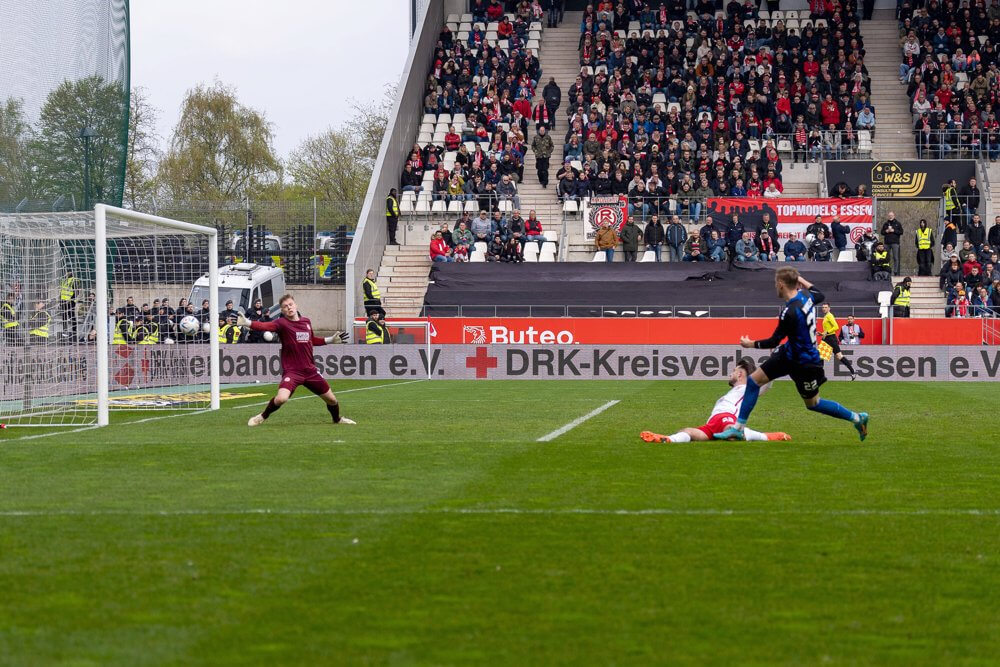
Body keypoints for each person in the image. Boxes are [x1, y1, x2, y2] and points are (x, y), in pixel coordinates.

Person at [715, 269, 869, 442]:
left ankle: (857, 418)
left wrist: (749, 344)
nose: (775, 287)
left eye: (776, 283)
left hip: (806, 363)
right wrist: (799, 279)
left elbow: (773, 341)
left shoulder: (789, 312)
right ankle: (737, 428)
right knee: (752, 382)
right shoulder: (806, 297)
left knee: (813, 404)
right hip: (789, 355)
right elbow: (819, 293)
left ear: (781, 284)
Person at [240, 294, 353, 427]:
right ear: (282, 311)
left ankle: (337, 419)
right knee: (281, 398)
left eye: (290, 304)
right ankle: (262, 417)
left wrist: (329, 340)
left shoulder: (306, 322)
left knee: (332, 400)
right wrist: (247, 323)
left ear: (295, 305)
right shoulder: (281, 323)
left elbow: (311, 340)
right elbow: (265, 326)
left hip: (310, 371)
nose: (289, 308)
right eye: (285, 307)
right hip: (293, 372)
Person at [640, 359, 791, 443]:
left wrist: (774, 363)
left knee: (731, 433)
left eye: (733, 371)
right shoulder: (733, 391)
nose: (730, 373)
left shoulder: (748, 389)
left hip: (727, 418)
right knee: (688, 432)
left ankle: (769, 436)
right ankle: (668, 439)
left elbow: (766, 384)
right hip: (712, 424)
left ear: (739, 374)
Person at [820, 303, 858, 379]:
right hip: (827, 338)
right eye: (823, 307)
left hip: (830, 338)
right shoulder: (826, 316)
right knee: (821, 357)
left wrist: (827, 332)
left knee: (838, 356)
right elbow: (828, 329)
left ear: (829, 308)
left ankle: (853, 371)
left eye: (826, 307)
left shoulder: (829, 316)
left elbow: (836, 327)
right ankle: (820, 376)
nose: (824, 308)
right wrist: (822, 333)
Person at [59, 270, 77, 337]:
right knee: (64, 317)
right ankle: (65, 331)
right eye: (67, 272)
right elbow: (62, 291)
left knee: (72, 316)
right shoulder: (63, 281)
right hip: (63, 301)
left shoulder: (74, 280)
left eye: (69, 272)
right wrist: (60, 300)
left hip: (70, 302)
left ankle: (74, 331)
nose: (67, 273)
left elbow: (76, 292)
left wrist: (71, 299)